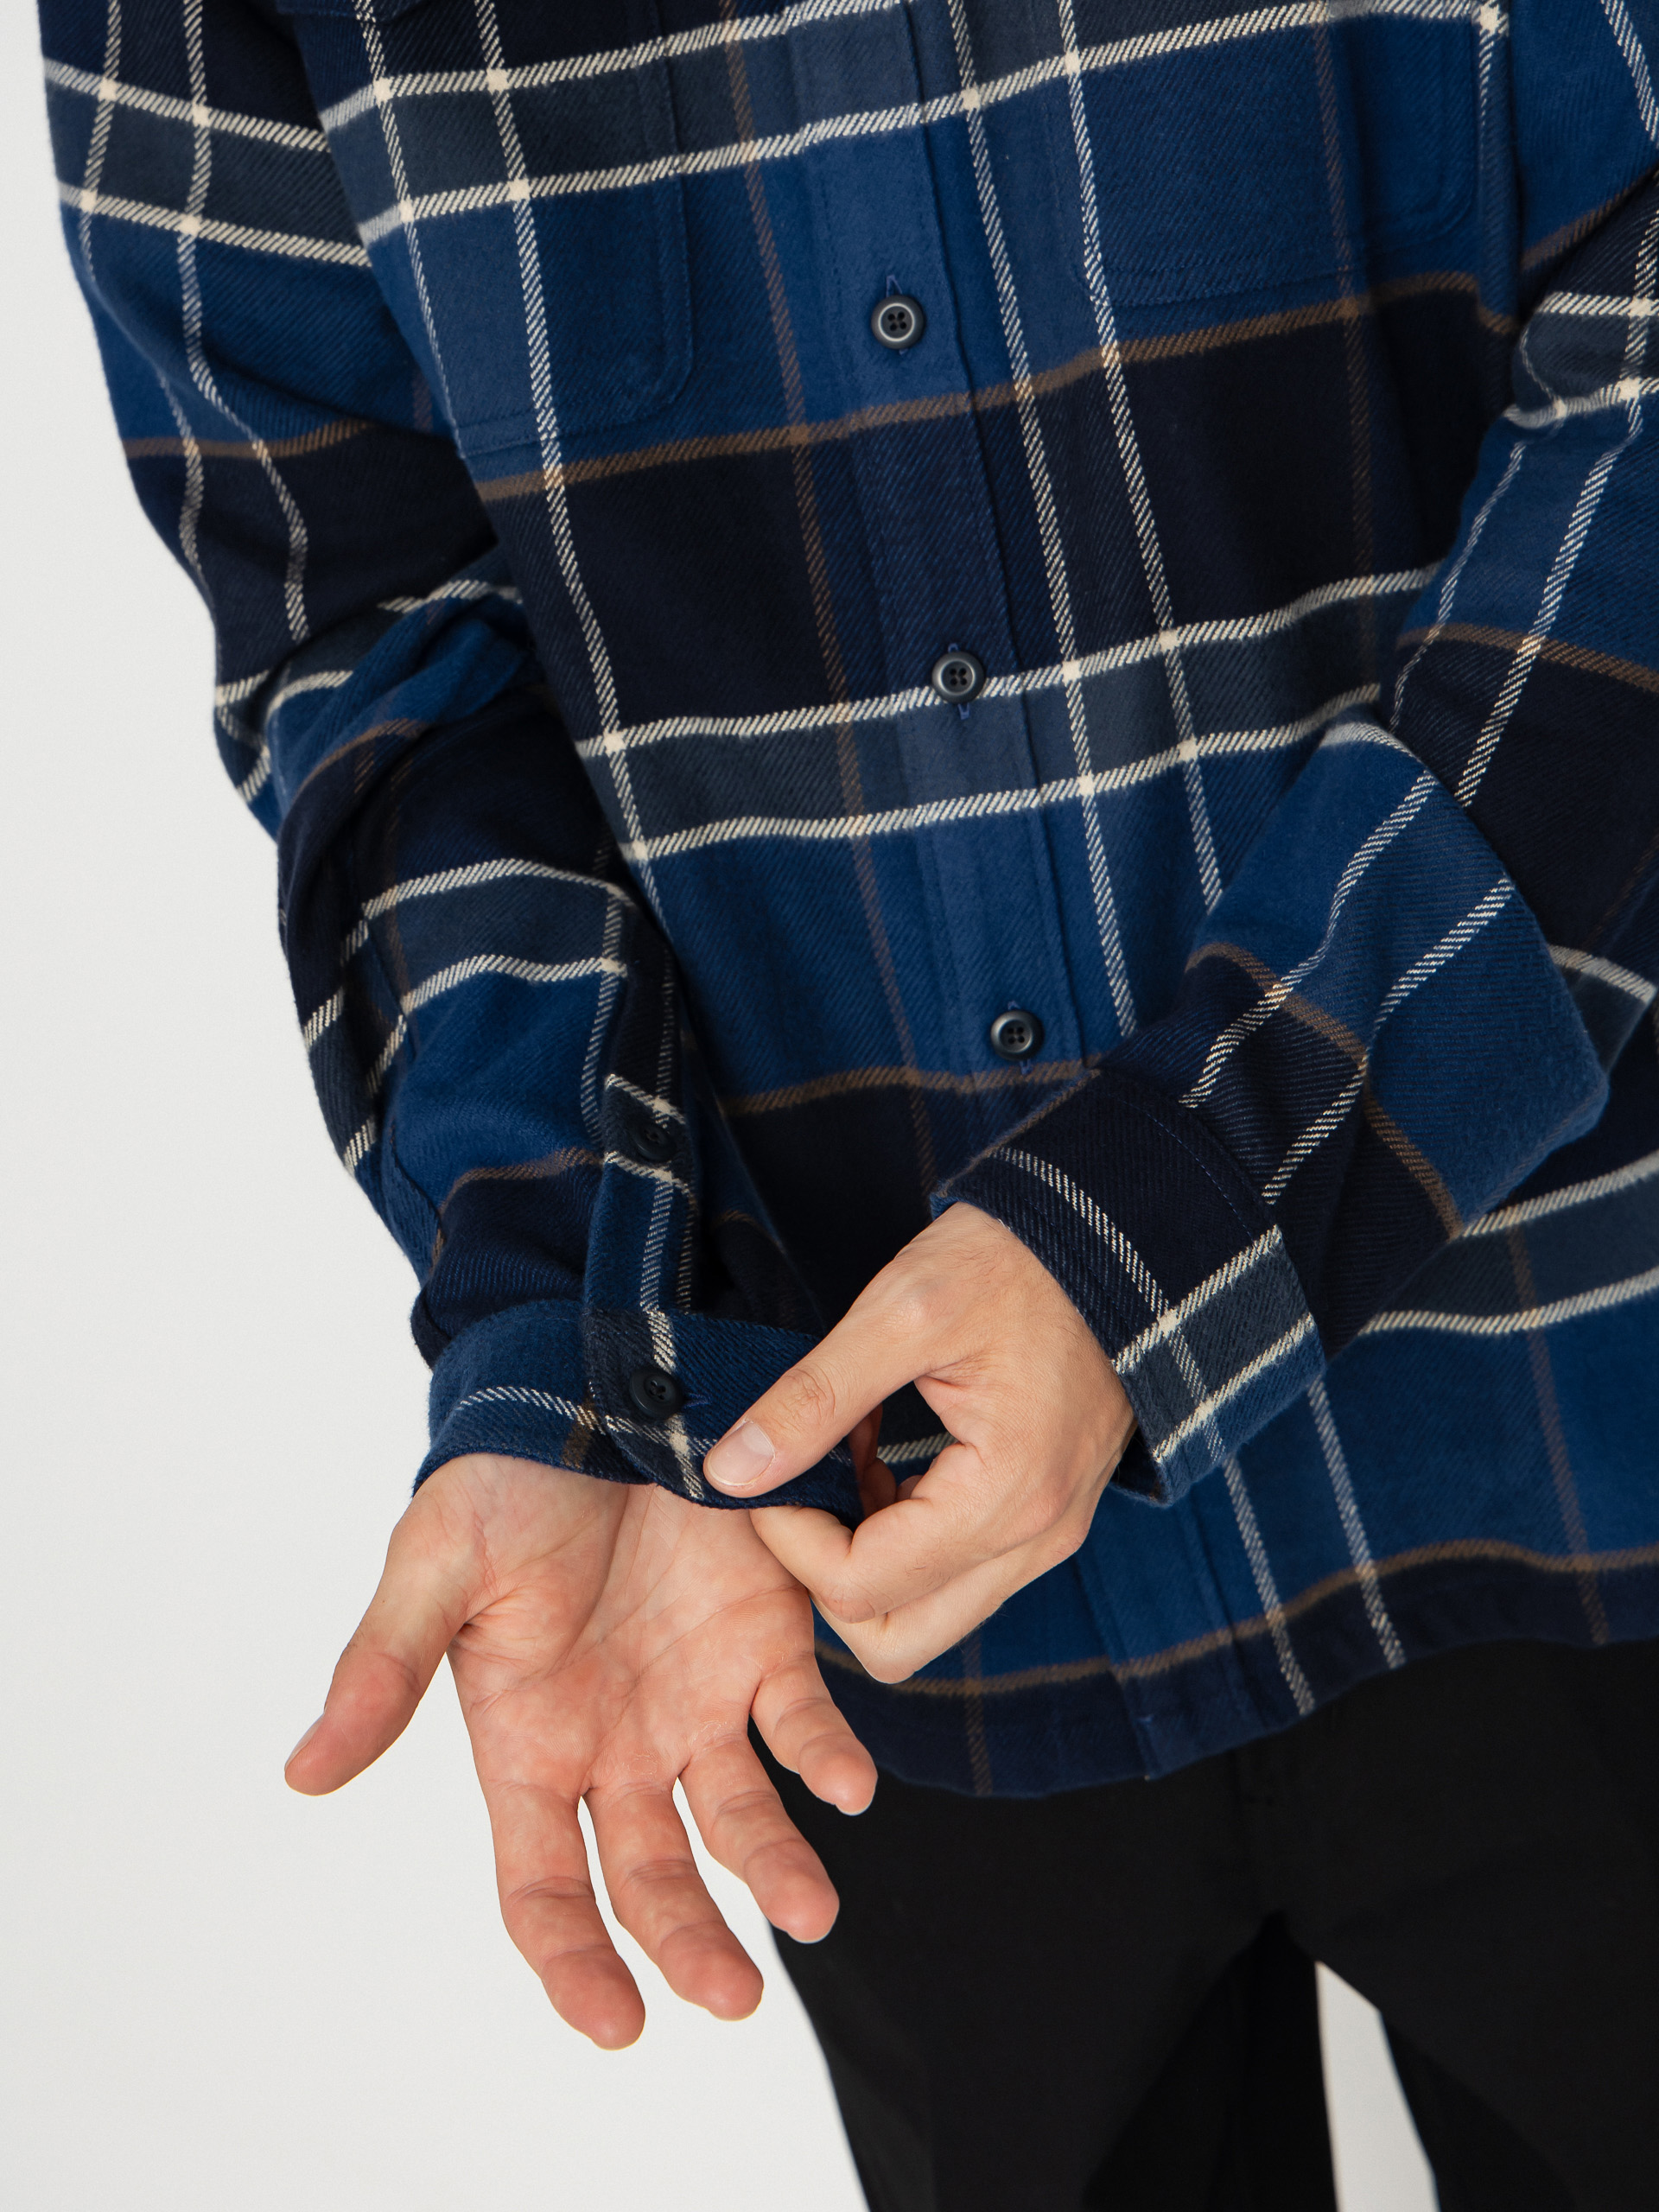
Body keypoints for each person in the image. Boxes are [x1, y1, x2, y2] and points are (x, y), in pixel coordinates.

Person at [40, 0, 1659, 2202]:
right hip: (840, 1566)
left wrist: (1182, 1200)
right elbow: (377, 637)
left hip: (1570, 1390)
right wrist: (580, 1328)